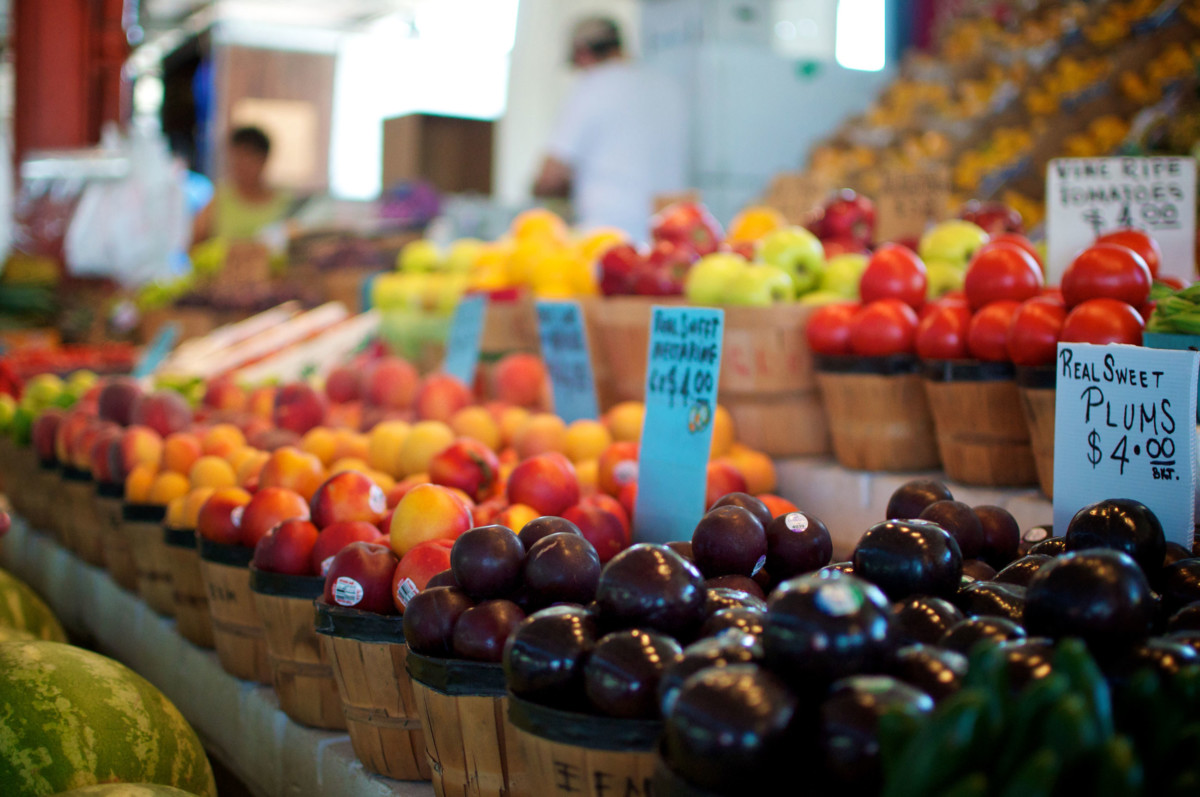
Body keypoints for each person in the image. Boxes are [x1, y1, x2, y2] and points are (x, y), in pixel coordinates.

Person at [533, 17, 689, 240]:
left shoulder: (592, 86)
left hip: (607, 234)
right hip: (668, 230)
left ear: (583, 54)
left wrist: (536, 190)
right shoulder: (667, 87)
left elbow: (551, 176)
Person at [192, 126, 291, 244]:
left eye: (249, 159)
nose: (243, 167)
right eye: (237, 159)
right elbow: (194, 242)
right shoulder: (219, 199)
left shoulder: (285, 203)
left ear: (264, 159)